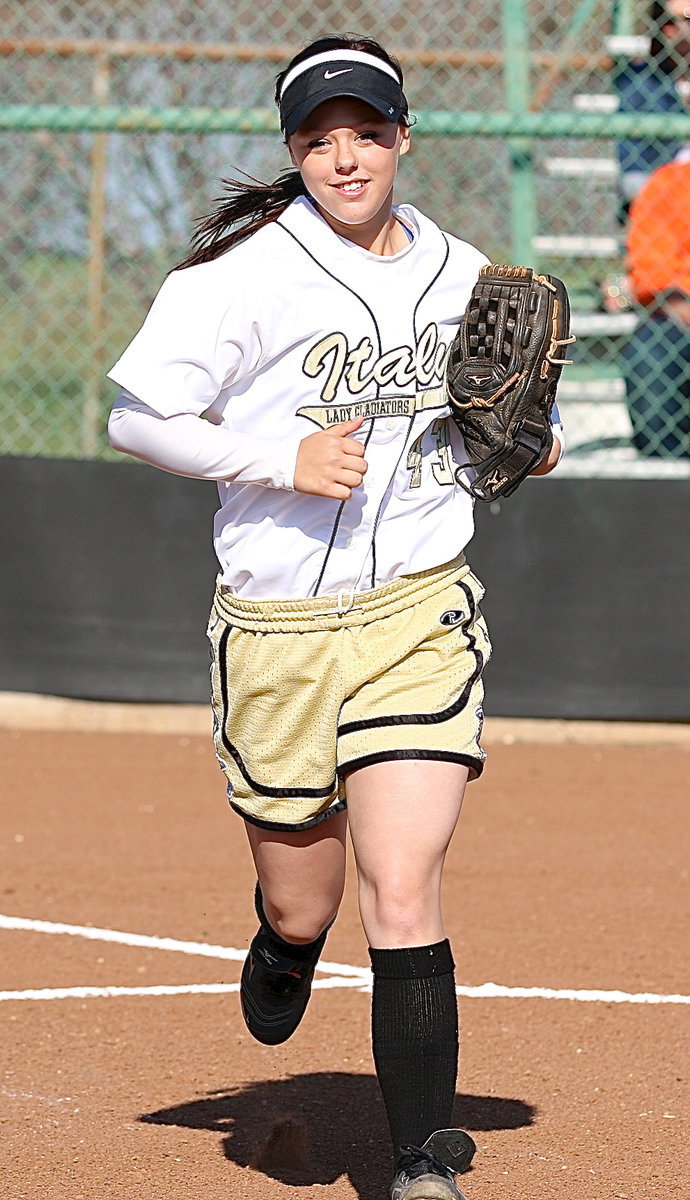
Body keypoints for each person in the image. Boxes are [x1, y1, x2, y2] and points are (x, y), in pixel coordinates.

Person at [107, 35, 564, 1200]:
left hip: (419, 608)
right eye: (320, 138)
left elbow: (481, 421)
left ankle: (420, 1165)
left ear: (404, 138)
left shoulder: (462, 271)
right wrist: (276, 457)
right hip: (280, 630)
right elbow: (139, 419)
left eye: (366, 132)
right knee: (304, 893)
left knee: (401, 881)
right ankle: (284, 942)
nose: (345, 155)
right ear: (294, 153)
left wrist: (523, 443)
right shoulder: (238, 277)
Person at [621, 149, 690, 457]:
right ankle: (664, 472)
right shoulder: (671, 182)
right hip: (683, 319)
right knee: (654, 348)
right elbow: (655, 276)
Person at [613, 0, 689, 219]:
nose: (676, 29)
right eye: (668, 21)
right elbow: (634, 175)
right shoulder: (641, 84)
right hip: (667, 213)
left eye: (688, 17)